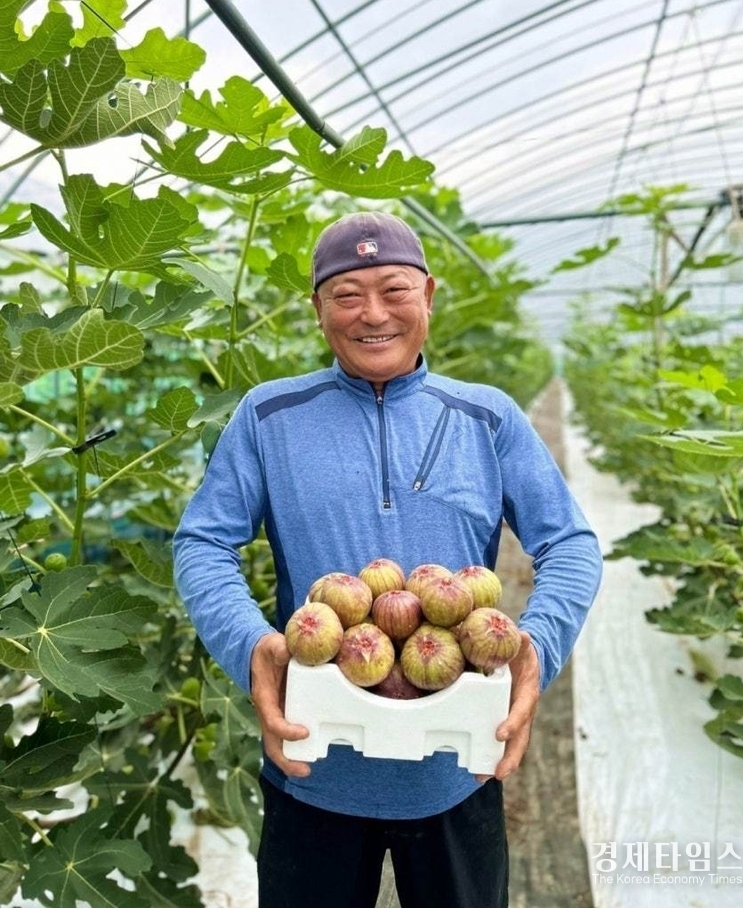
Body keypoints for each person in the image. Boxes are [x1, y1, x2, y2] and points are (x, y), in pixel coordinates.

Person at [173, 210, 603, 908]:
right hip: (312, 761)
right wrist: (250, 644)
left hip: (453, 764)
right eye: (346, 295)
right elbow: (203, 541)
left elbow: (570, 543)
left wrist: (537, 644)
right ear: (318, 310)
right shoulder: (268, 415)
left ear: (428, 295)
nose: (372, 314)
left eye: (394, 289)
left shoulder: (487, 417)